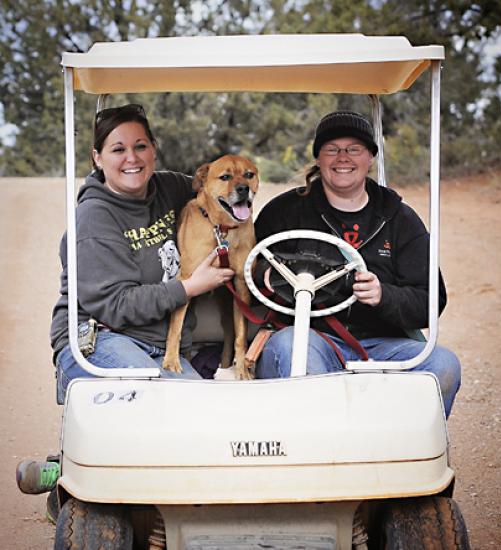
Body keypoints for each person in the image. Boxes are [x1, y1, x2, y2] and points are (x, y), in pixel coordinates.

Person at [16, 103, 234, 514]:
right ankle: (71, 478)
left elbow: (223, 190)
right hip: (99, 337)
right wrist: (189, 287)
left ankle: (79, 470)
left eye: (140, 146)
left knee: (204, 415)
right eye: (118, 149)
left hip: (159, 344)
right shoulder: (93, 217)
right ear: (98, 158)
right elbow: (115, 305)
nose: (131, 158)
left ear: (154, 150)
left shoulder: (169, 187)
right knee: (164, 408)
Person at [254, 110, 461, 418]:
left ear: (370, 158)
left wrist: (384, 295)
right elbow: (248, 266)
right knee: (296, 356)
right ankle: (319, 456)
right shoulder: (285, 212)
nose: (343, 158)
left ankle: (402, 457)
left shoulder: (399, 218)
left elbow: (431, 299)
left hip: (383, 342)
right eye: (332, 149)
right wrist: (267, 277)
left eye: (354, 149)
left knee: (443, 366)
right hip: (308, 335)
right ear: (319, 158)